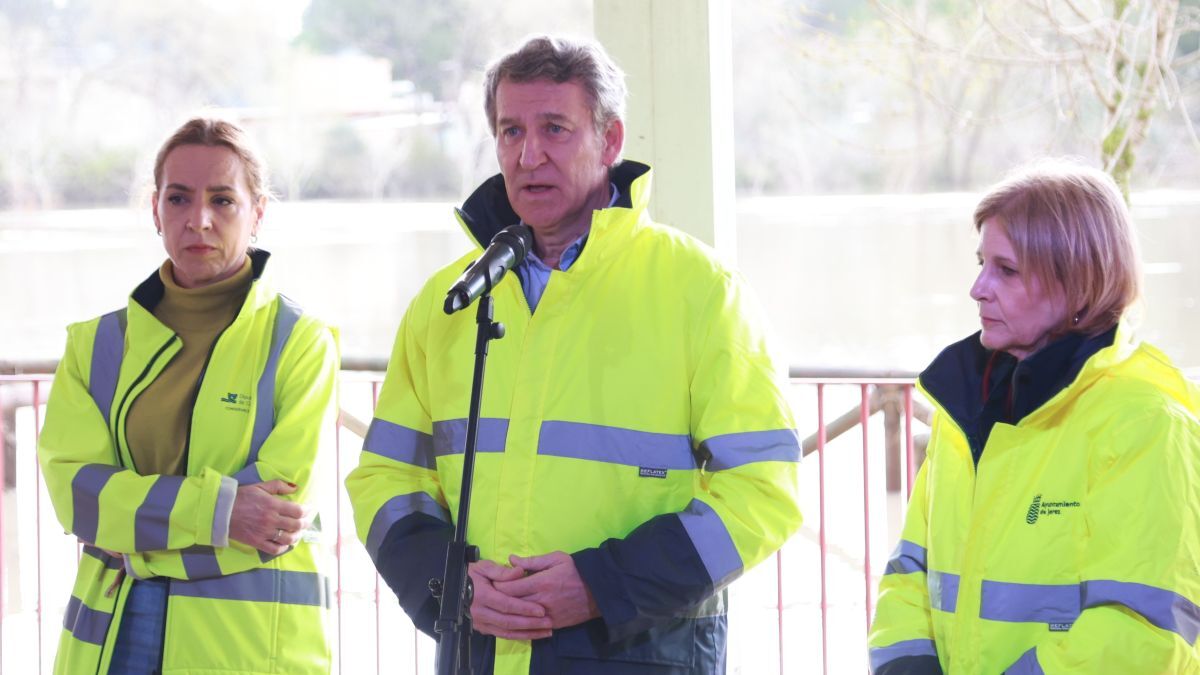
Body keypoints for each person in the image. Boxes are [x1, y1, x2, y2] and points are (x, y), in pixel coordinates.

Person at [346, 35, 802, 674]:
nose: (528, 154)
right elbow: (387, 478)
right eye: (510, 131)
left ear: (609, 141)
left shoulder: (702, 291)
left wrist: (599, 584)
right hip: (475, 652)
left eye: (555, 128)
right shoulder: (447, 301)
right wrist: (450, 587)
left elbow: (764, 490)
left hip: (641, 653)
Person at [868, 159, 1200, 673]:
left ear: (1078, 281)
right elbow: (912, 571)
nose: (978, 288)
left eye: (1007, 269)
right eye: (981, 263)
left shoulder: (1145, 423)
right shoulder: (964, 408)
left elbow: (1142, 634)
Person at [37, 117, 338, 674]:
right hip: (113, 638)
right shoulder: (96, 346)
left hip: (247, 649)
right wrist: (223, 511)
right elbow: (78, 496)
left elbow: (276, 516)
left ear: (258, 213)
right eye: (179, 199)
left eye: (223, 200)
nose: (198, 220)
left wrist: (132, 536)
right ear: (156, 211)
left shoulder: (300, 343)